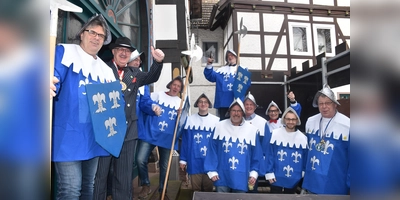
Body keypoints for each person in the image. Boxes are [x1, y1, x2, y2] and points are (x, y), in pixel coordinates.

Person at [51, 14, 115, 200]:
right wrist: (48, 81)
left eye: (101, 36)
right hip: (67, 135)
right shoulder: (64, 52)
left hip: (93, 137)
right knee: (71, 189)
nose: (96, 37)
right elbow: (54, 76)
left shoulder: (105, 70)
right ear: (81, 34)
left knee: (89, 187)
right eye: (92, 32)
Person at [93, 37, 165, 200]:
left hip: (128, 132)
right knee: (101, 176)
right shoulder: (102, 69)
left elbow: (151, 77)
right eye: (121, 50)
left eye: (128, 51)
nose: (124, 53)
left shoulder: (134, 74)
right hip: (106, 131)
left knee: (124, 178)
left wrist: (158, 62)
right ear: (113, 51)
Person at [136, 76, 185, 199]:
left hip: (167, 138)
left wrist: (181, 115)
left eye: (178, 86)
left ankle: (163, 191)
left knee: (165, 166)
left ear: (180, 89)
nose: (176, 87)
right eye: (174, 84)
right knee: (140, 159)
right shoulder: (157, 95)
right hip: (151, 133)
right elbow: (144, 103)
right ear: (170, 85)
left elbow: (182, 124)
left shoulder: (180, 102)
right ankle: (146, 185)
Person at [204, 98, 263, 193]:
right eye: (234, 110)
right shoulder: (219, 127)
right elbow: (212, 149)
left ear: (243, 112)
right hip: (222, 174)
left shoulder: (252, 130)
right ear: (229, 112)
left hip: (242, 175)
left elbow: (256, 154)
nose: (236, 113)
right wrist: (212, 170)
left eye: (239, 111)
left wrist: (254, 172)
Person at [301, 84, 350, 194]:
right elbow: (307, 150)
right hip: (312, 180)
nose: (324, 107)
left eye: (328, 103)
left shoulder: (347, 125)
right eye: (321, 104)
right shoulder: (310, 121)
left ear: (335, 104)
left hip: (335, 180)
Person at [179, 94, 219, 192]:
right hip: (194, 160)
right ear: (197, 104)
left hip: (209, 161)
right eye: (200, 102)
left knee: (208, 189)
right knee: (196, 190)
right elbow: (185, 142)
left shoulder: (216, 121)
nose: (203, 104)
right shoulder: (189, 120)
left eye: (205, 102)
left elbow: (218, 144)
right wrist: (183, 159)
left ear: (209, 104)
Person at [264, 107, 307, 194]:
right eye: (288, 119)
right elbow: (270, 155)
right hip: (276, 177)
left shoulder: (302, 138)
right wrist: (269, 172)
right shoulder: (275, 134)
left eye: (293, 119)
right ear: (284, 119)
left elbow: (305, 158)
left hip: (294, 178)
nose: (290, 122)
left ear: (297, 120)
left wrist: (302, 172)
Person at [204, 50, 251, 120]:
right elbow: (210, 76)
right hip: (223, 103)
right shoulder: (221, 71)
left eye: (232, 55)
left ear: (236, 57)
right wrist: (209, 64)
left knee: (238, 124)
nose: (230, 57)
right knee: (224, 125)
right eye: (228, 55)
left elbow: (247, 84)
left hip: (237, 102)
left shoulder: (242, 70)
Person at [242, 92, 270, 193]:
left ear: (255, 106)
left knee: (252, 189)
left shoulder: (262, 122)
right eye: (246, 104)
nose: (248, 107)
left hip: (255, 161)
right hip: (241, 159)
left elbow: (266, 144)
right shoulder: (238, 120)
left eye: (251, 104)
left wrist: (261, 160)